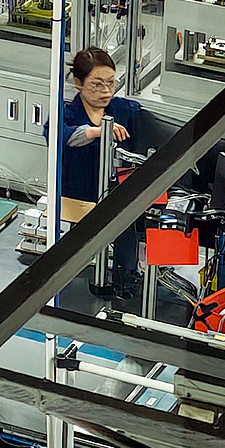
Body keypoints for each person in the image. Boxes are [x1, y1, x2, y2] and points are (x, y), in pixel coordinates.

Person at [60, 47, 144, 299]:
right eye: (97, 85)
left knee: (126, 220)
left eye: (110, 83)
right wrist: (96, 131)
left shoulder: (125, 110)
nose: (106, 92)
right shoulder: (68, 114)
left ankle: (124, 281)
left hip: (119, 196)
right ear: (78, 83)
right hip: (80, 196)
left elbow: (151, 133)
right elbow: (60, 136)